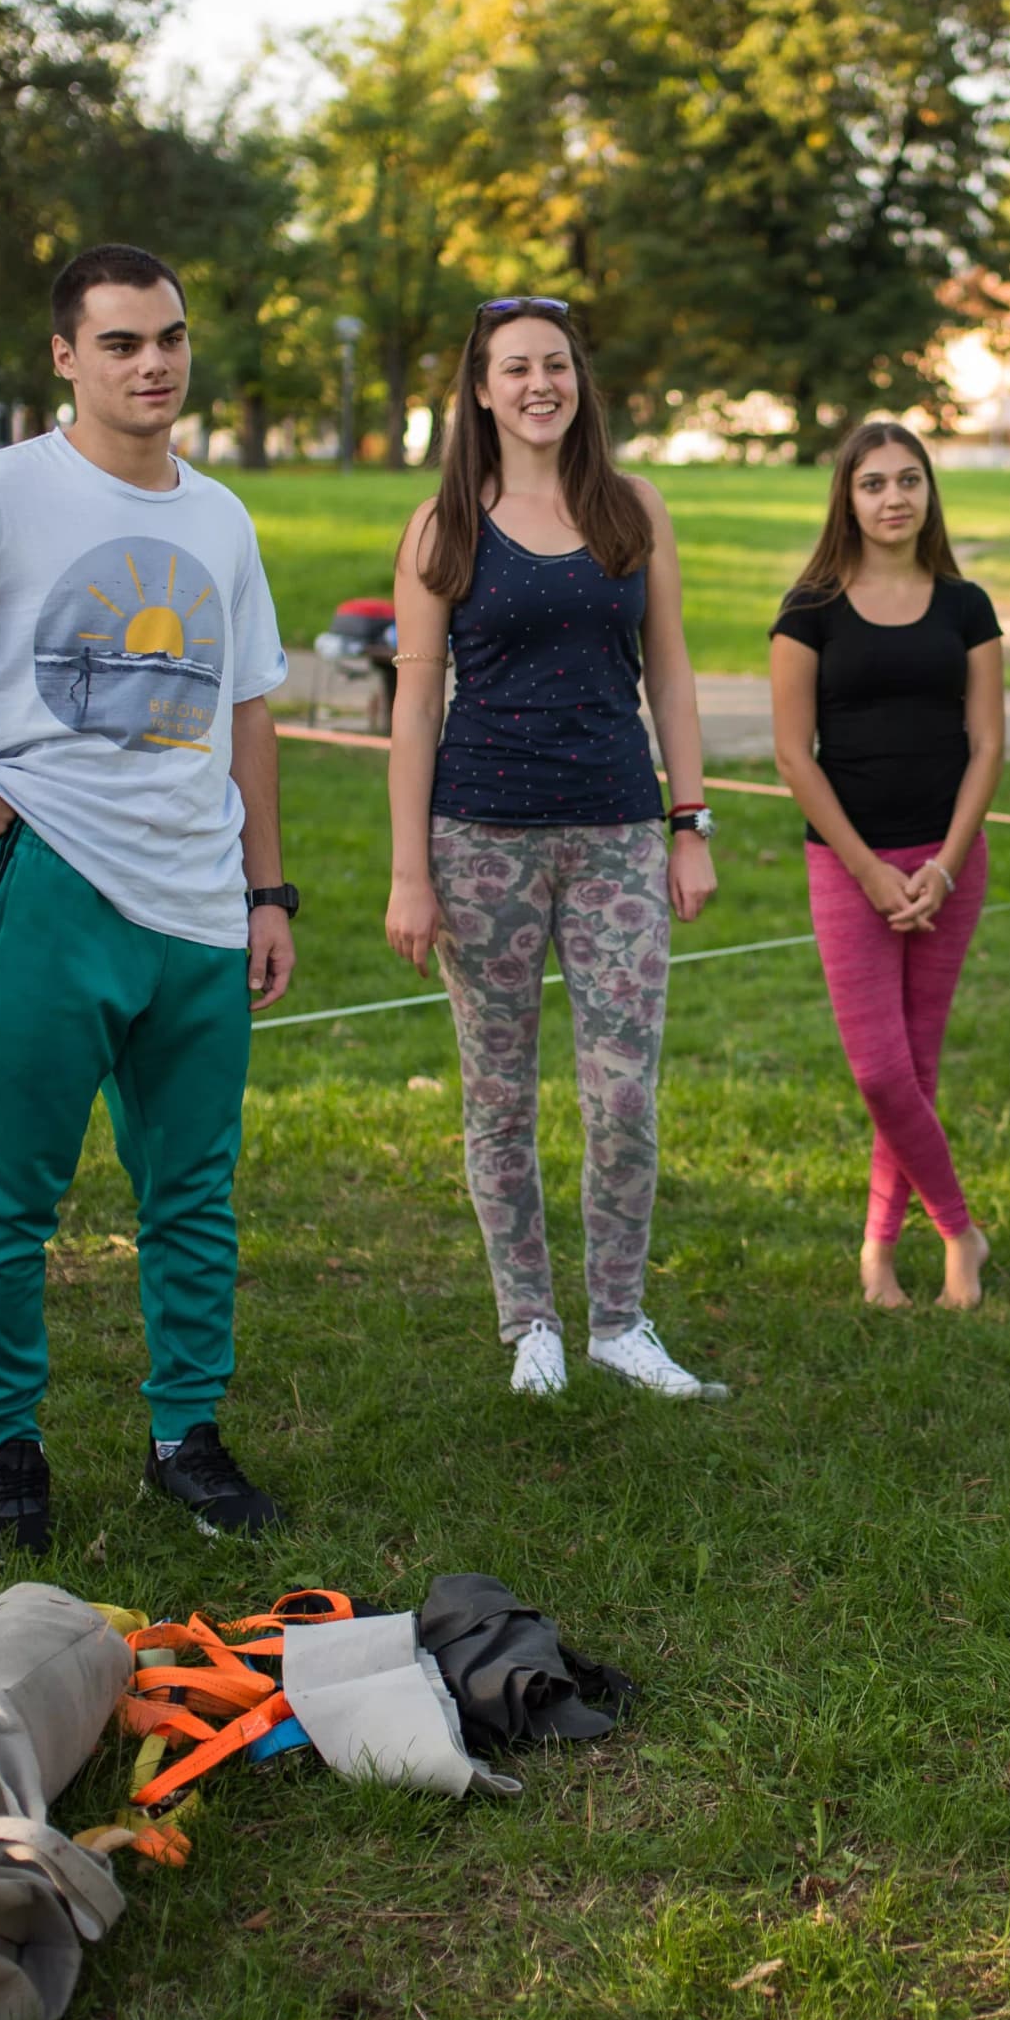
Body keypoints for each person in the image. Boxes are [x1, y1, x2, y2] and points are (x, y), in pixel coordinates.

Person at [0, 244, 302, 1557]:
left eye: (168, 337)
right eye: (120, 343)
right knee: (13, 1191)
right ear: (64, 356)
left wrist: (268, 885)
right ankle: (9, 1447)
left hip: (202, 899)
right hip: (47, 883)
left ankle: (186, 1434)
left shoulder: (219, 513)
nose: (151, 363)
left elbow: (249, 705)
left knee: (193, 1188)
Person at [381, 298, 726, 1402]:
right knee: (500, 1096)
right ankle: (529, 1318)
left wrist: (689, 823)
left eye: (557, 364)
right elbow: (413, 706)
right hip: (479, 839)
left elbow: (668, 673)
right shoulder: (444, 527)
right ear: (480, 390)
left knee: (624, 1094)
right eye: (515, 367)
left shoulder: (632, 507)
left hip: (619, 833)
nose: (541, 382)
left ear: (580, 380)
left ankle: (620, 1318)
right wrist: (408, 871)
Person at [769, 419, 1007, 1310]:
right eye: (874, 483)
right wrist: (870, 871)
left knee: (916, 1065)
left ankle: (878, 1249)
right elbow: (796, 756)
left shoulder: (966, 605)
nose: (894, 497)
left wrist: (942, 867)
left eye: (910, 480)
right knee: (879, 1069)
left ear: (929, 493)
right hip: (849, 866)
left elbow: (987, 746)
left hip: (948, 863)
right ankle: (959, 1229)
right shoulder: (808, 611)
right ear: (848, 497)